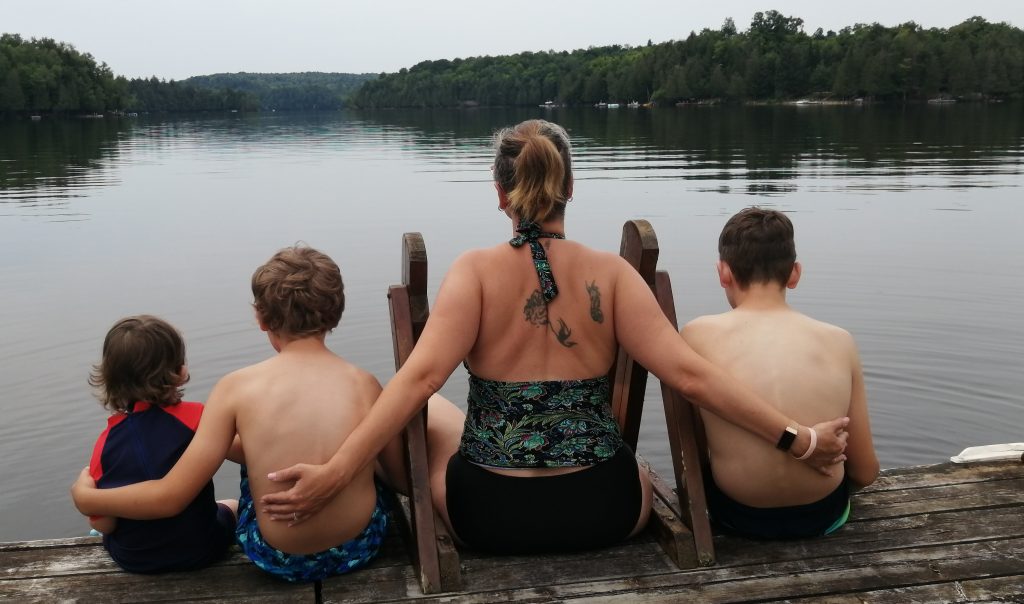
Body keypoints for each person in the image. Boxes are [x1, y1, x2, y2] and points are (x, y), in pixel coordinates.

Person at [258, 119, 850, 555]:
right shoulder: (611, 275)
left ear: (500, 193)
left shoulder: (474, 273)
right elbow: (691, 376)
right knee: (613, 454)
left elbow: (419, 380)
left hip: (487, 516)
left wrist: (337, 472)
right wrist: (797, 439)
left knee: (432, 409)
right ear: (570, 185)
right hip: (607, 510)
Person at [72, 246, 392, 583]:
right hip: (360, 548)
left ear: (261, 318)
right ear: (336, 313)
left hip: (279, 559)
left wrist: (87, 498)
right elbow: (396, 476)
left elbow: (171, 496)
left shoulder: (235, 387)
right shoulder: (366, 383)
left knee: (251, 466)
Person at [681, 207, 879, 539]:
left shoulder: (696, 335)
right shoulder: (839, 340)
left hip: (736, 515)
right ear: (795, 274)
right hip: (823, 514)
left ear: (723, 272)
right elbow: (865, 471)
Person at [82, 315, 238, 573]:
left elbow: (104, 524)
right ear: (180, 371)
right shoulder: (197, 417)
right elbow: (243, 450)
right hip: (203, 550)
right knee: (232, 504)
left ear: (109, 378)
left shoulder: (104, 443)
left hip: (134, 560)